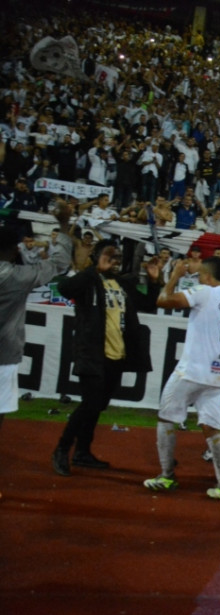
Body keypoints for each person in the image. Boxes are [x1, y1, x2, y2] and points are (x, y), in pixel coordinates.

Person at [52, 236, 162, 476]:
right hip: (92, 353)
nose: (115, 261)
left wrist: (154, 280)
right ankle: (62, 448)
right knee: (90, 404)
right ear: (96, 257)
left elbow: (147, 304)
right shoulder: (88, 280)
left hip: (116, 354)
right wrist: (95, 270)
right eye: (109, 256)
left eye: (117, 257)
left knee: (98, 405)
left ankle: (82, 452)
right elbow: (64, 288)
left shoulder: (122, 283)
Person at [143, 256, 220, 502]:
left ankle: (166, 475)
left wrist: (174, 276)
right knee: (212, 428)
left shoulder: (205, 292)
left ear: (207, 276)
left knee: (166, 417)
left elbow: (163, 301)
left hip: (193, 371)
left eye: (200, 275)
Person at [1, 202, 73, 432]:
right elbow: (60, 262)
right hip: (4, 354)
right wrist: (63, 224)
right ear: (15, 250)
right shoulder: (19, 276)